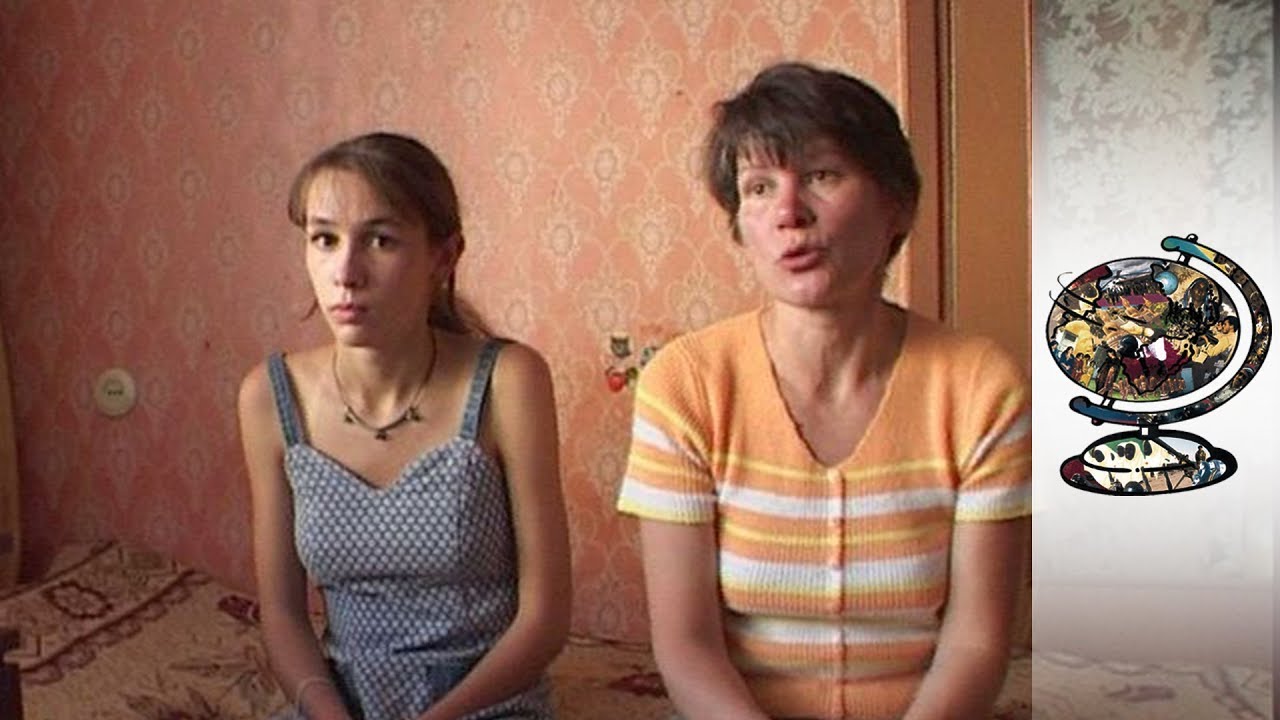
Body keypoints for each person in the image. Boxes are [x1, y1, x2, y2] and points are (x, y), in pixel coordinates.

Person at [616, 62, 1031, 720]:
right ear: (740, 225)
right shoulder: (687, 383)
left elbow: (976, 643)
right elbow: (687, 645)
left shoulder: (981, 385)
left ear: (897, 205)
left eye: (822, 175)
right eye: (758, 188)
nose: (789, 213)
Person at [238, 132, 571, 720]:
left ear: (444, 257)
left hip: (483, 706)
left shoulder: (507, 381)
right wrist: (328, 712)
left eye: (381, 240)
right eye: (324, 239)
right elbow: (284, 615)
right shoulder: (270, 395)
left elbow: (544, 618)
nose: (346, 272)